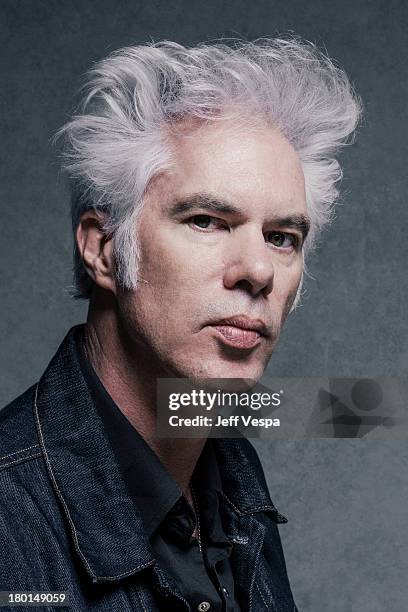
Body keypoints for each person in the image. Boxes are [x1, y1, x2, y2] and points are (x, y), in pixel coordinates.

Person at [0, 38, 361, 611]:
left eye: (281, 237)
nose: (259, 271)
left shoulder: (230, 467)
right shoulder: (10, 517)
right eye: (206, 221)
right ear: (104, 250)